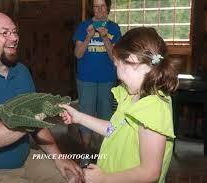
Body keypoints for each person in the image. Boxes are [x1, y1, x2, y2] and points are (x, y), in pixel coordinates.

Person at [0, 12, 82, 183]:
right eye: (5, 33)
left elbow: (37, 125)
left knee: (74, 177)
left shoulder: (21, 72)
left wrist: (58, 157)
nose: (14, 38)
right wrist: (35, 117)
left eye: (15, 32)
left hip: (24, 160)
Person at [60, 27, 179, 183]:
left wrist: (104, 179)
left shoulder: (153, 108)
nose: (117, 74)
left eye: (117, 65)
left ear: (133, 60)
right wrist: (79, 118)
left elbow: (150, 172)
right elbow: (114, 129)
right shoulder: (133, 95)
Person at [73, 0, 121, 153]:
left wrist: (105, 38)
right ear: (92, 9)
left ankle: (104, 153)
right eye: (96, 6)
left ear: (108, 8)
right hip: (86, 79)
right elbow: (78, 54)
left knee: (106, 115)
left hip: (107, 79)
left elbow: (115, 58)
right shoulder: (83, 26)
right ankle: (85, 152)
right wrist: (88, 37)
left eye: (103, 6)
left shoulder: (114, 28)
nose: (99, 10)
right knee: (85, 115)